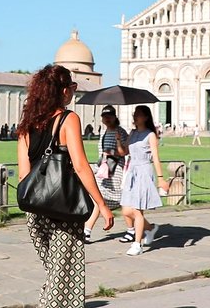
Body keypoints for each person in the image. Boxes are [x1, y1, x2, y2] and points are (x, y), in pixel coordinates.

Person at [17, 65, 114, 307]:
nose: (73, 92)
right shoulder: (68, 119)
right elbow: (81, 166)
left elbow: (23, 174)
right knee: (64, 275)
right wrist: (101, 204)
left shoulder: (27, 124)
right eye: (72, 87)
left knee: (55, 272)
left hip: (35, 210)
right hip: (63, 207)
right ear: (62, 90)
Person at [120, 105, 170, 256]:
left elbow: (155, 157)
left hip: (143, 171)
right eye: (135, 114)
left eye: (139, 115)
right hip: (132, 172)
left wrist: (161, 179)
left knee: (137, 209)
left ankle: (137, 244)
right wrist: (118, 139)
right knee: (126, 211)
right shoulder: (133, 133)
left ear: (146, 117)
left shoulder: (150, 135)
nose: (135, 117)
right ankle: (150, 228)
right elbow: (124, 151)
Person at [84, 105, 131, 243]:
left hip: (115, 171)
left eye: (109, 116)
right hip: (103, 171)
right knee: (99, 200)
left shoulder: (120, 132)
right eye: (105, 117)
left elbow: (125, 152)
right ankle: (87, 230)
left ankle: (136, 228)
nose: (107, 119)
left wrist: (115, 146)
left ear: (115, 117)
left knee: (121, 202)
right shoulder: (104, 132)